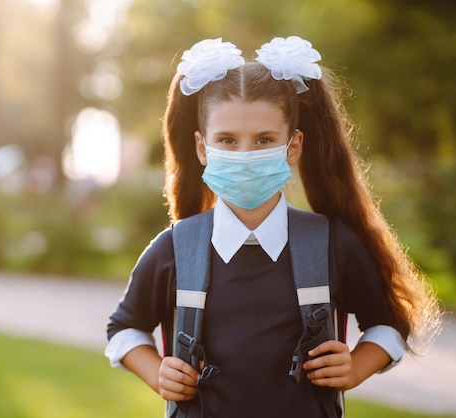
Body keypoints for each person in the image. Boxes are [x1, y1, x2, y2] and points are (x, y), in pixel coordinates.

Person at [105, 36, 440, 417]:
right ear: (202, 147)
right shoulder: (175, 248)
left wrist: (357, 367)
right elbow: (123, 329)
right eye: (227, 140)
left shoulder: (332, 244)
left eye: (264, 140)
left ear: (293, 146)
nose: (245, 156)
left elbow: (388, 325)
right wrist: (156, 372)